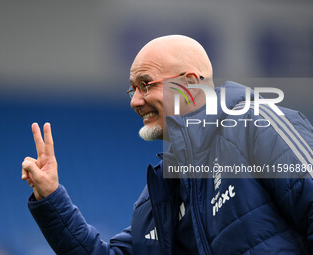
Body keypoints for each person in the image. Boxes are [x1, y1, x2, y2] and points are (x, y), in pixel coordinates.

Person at [22, 35, 313, 254]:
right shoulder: (159, 192)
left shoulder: (257, 126)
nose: (135, 101)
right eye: (132, 88)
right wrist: (51, 198)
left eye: (146, 85)